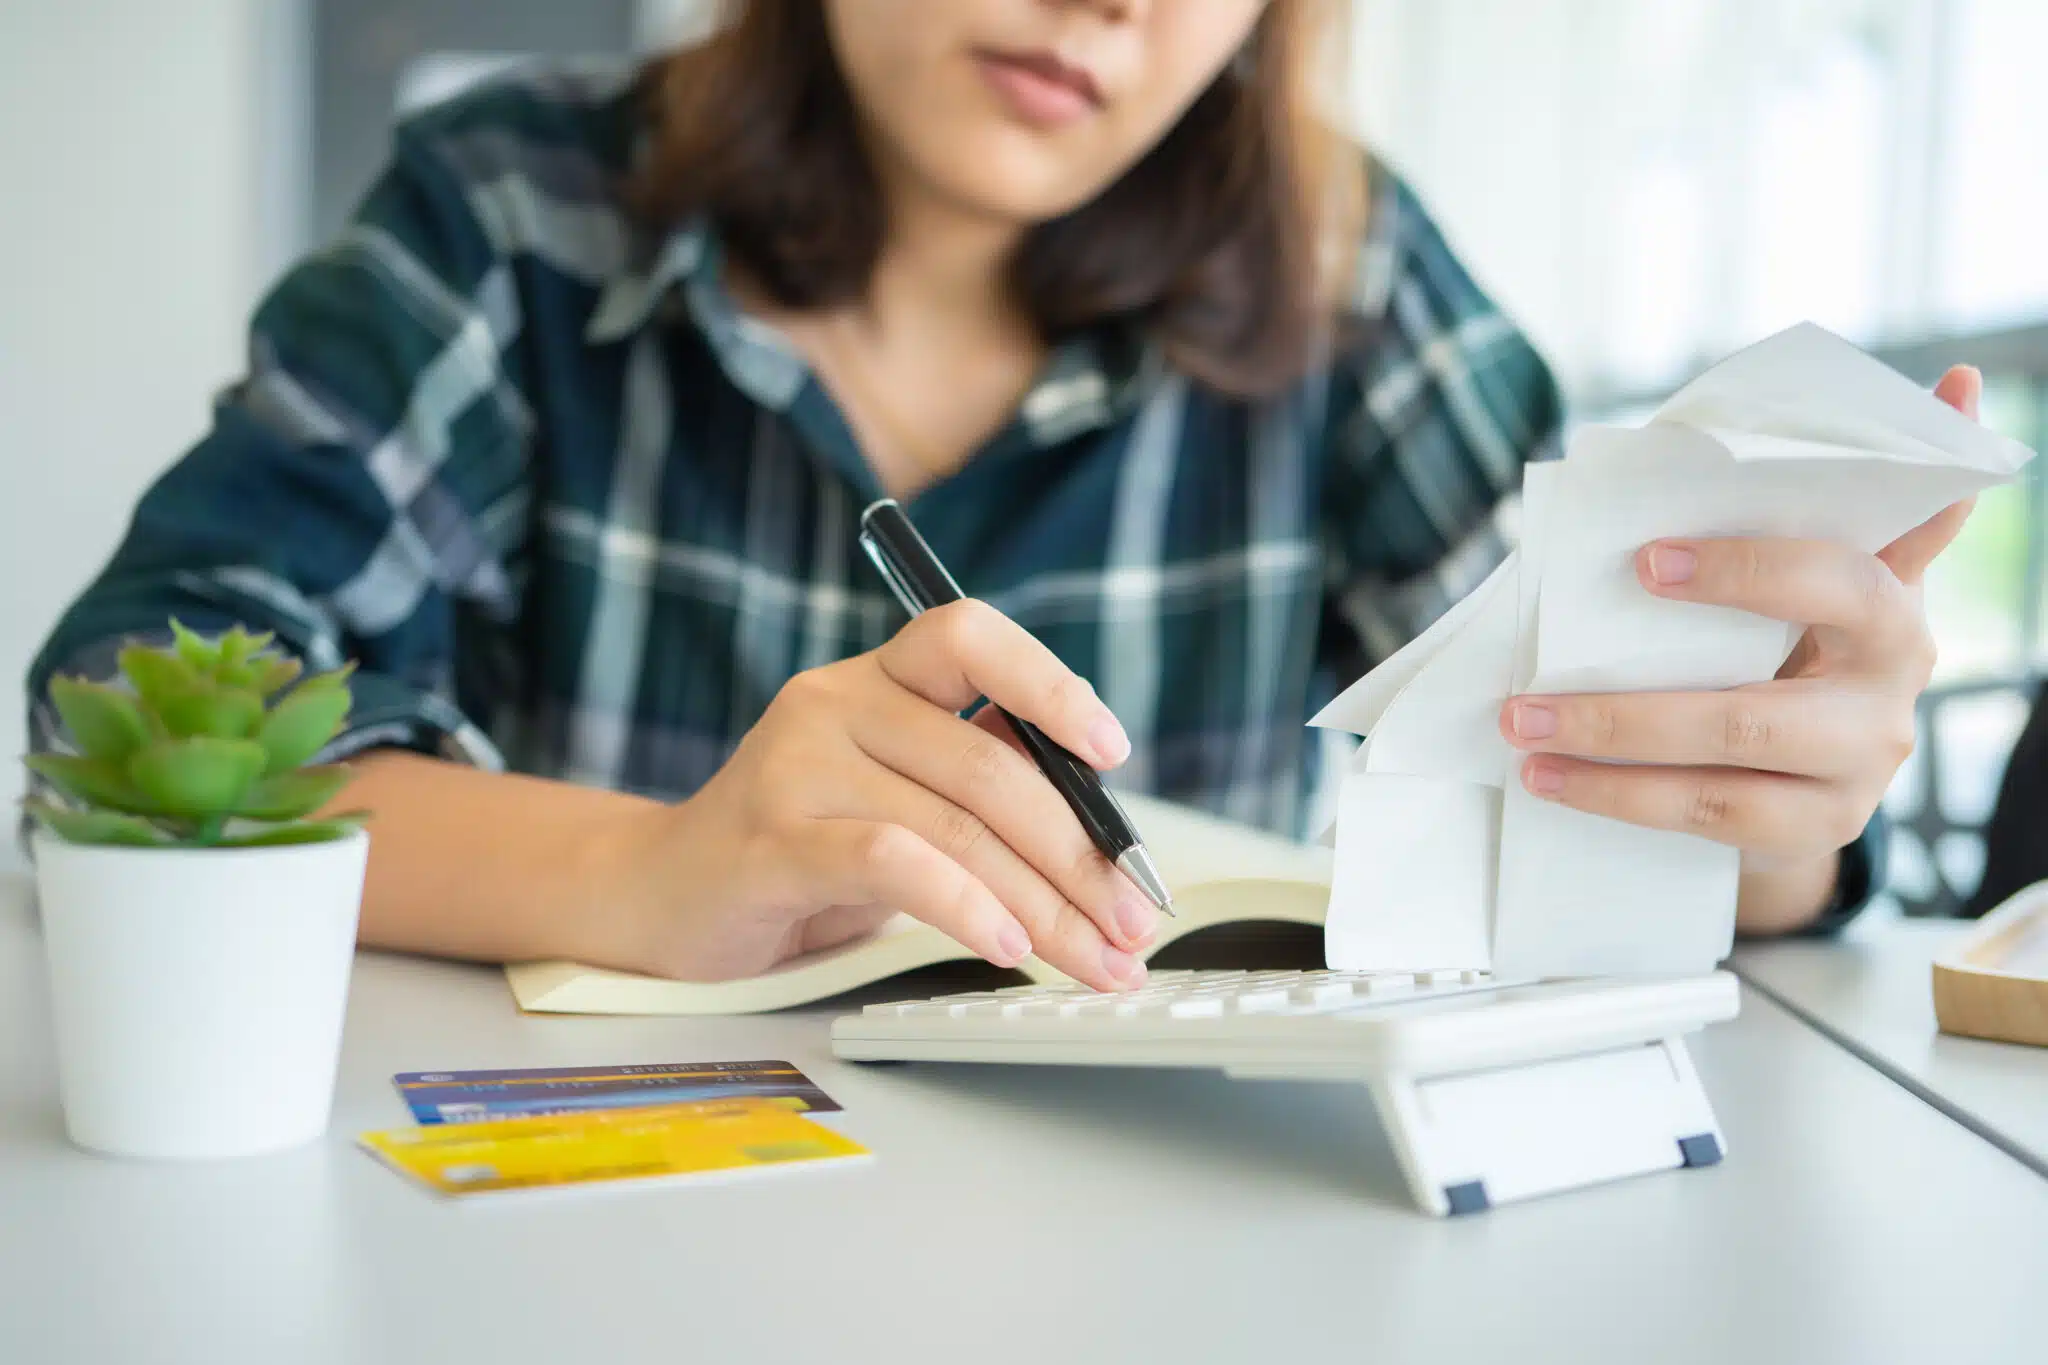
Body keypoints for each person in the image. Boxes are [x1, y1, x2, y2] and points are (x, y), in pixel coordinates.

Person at [29, 0, 1983, 993]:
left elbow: (1602, 777)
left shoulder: (1349, 278)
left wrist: (1763, 814)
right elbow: (123, 727)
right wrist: (645, 876)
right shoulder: (508, 218)